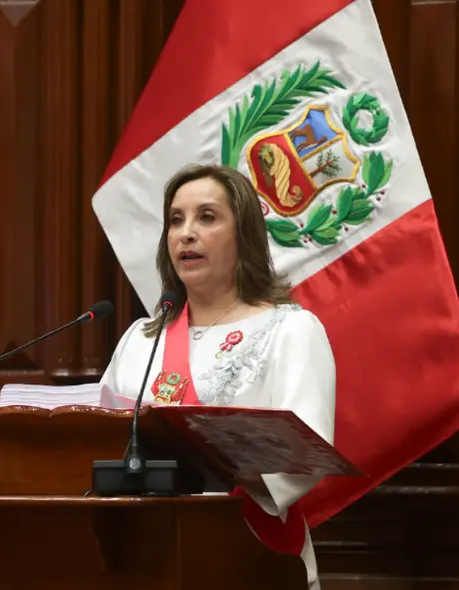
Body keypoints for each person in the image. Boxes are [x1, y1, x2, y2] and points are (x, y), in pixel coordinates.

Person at [100, 163, 336, 589]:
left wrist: (207, 456)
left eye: (206, 217)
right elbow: (101, 438)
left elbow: (306, 457)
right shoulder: (141, 337)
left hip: (248, 551)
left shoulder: (291, 330)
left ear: (243, 236)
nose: (186, 233)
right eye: (176, 220)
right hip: (145, 555)